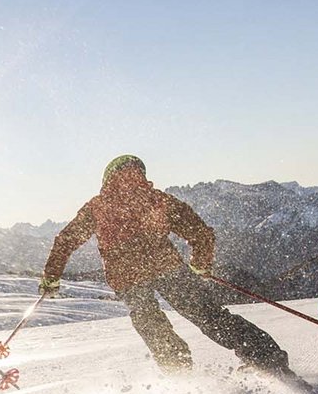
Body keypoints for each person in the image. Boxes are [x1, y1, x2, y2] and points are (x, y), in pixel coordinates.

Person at [40, 155, 293, 378]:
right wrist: (200, 263)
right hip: (167, 268)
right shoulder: (158, 200)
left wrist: (52, 278)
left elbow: (65, 241)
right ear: (141, 174)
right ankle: (266, 358)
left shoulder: (97, 207)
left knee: (152, 325)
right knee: (210, 317)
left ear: (107, 179)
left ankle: (180, 374)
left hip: (128, 280)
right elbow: (201, 233)